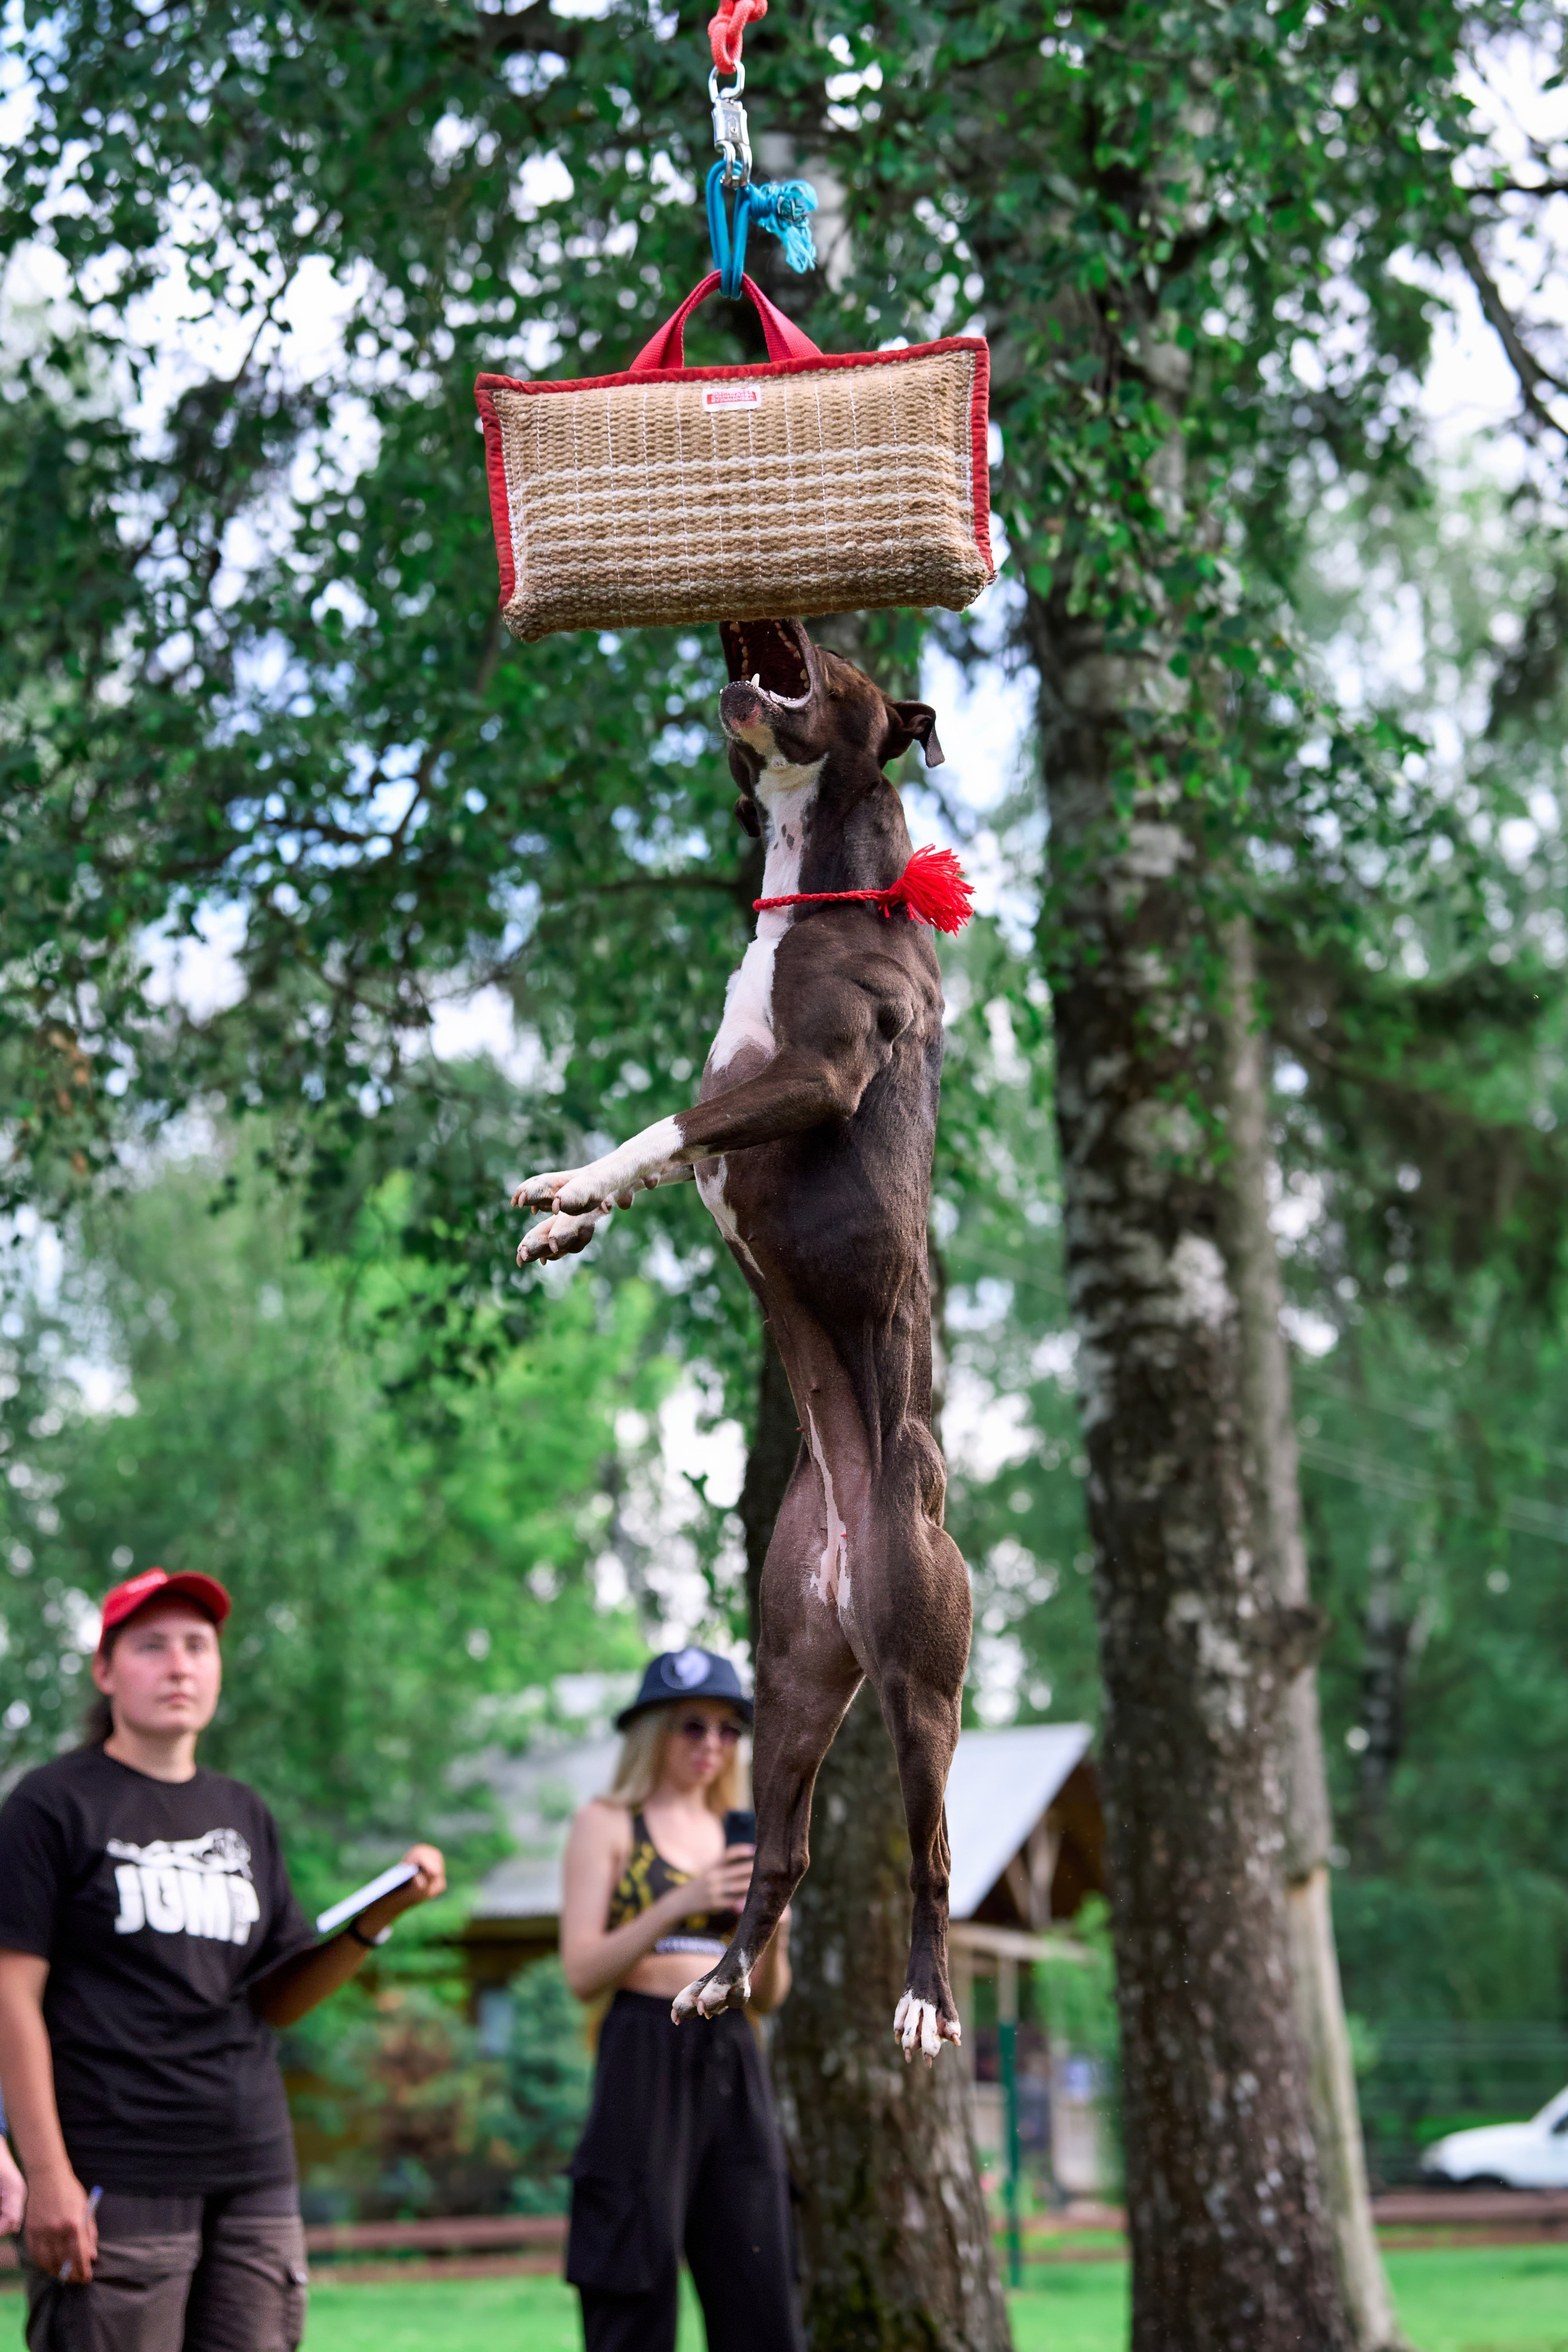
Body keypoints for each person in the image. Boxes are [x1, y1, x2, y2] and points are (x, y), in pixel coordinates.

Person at [0, 1566, 447, 2351]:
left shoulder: (243, 1812)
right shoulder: (51, 1805)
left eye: (198, 1646)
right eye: (151, 1646)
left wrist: (378, 1919)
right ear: (105, 1671)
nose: (179, 1665)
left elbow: (276, 1997)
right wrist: (45, 2172)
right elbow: (11, 1998)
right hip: (118, 2165)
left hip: (252, 2164)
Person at [559, 1647, 803, 2352]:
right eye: (692, 1726)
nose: (712, 1745)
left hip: (730, 2053)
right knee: (631, 2268)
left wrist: (773, 1936)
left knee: (758, 2270)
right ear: (653, 1731)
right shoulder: (606, 1824)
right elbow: (581, 1971)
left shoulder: (744, 1833)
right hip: (642, 2047)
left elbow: (770, 1997)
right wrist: (683, 1901)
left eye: (729, 1730)